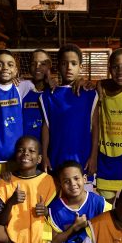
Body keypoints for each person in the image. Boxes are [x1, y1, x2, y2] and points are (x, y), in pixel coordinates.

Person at [48, 160, 111, 243]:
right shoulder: (55, 209)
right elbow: (55, 241)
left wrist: (91, 226)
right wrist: (73, 228)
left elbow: (111, 228)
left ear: (84, 179)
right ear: (60, 184)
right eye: (66, 181)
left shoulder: (99, 202)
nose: (72, 184)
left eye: (76, 178)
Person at [41, 44, 99, 177]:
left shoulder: (90, 93)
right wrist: (44, 155)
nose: (69, 68)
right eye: (64, 63)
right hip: (57, 158)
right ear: (58, 67)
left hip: (83, 158)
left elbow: (95, 126)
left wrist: (94, 156)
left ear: (81, 67)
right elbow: (46, 127)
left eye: (73, 63)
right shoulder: (49, 95)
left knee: (81, 195)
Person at [0, 50, 33, 185]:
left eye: (10, 65)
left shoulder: (23, 86)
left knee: (16, 190)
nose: (5, 68)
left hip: (17, 155)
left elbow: (41, 88)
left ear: (16, 70)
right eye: (0, 64)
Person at [96, 48, 122, 203]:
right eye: (115, 67)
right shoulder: (100, 90)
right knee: (106, 208)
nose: (120, 71)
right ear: (109, 70)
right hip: (107, 157)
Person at [22, 49, 52, 140]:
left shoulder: (55, 92)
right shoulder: (21, 89)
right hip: (26, 150)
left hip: (48, 151)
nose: (37, 67)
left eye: (42, 64)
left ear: (49, 66)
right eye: (33, 64)